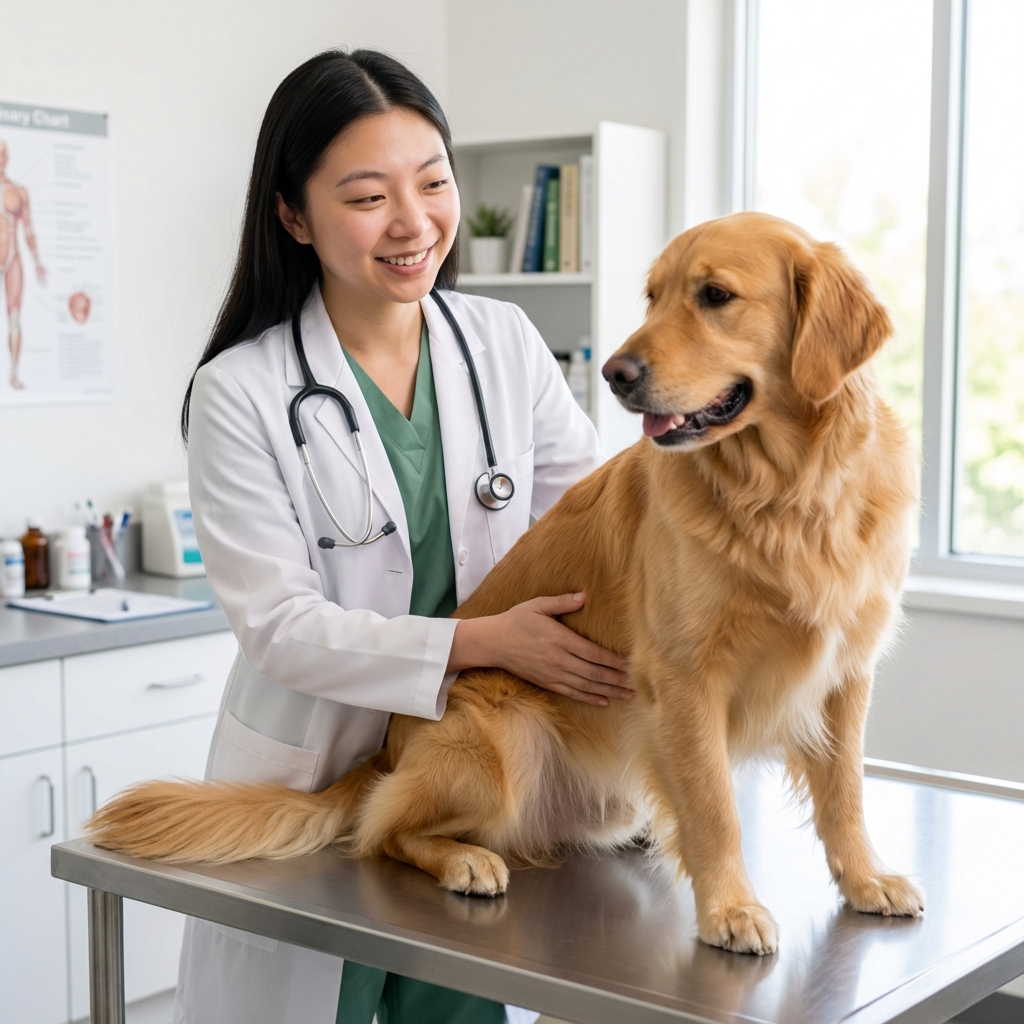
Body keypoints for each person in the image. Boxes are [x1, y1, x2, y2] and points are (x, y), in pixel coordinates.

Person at [179, 49, 632, 1024]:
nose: (413, 221)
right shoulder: (240, 392)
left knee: (461, 1005)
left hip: (464, 781)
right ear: (293, 215)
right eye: (366, 195)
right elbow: (280, 627)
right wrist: (482, 642)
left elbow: (590, 524)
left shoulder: (502, 343)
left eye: (432, 183)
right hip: (317, 768)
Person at [0, 139, 46, 389]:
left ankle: (14, 374)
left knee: (15, 318)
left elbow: (29, 229)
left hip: (13, 260)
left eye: (3, 154)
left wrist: (38, 261)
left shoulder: (19, 192)